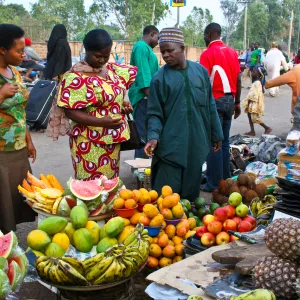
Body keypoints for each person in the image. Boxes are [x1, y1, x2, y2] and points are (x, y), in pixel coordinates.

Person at [144, 28, 223, 200]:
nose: (165, 55)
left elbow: (209, 104)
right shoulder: (159, 79)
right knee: (166, 200)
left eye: (170, 50)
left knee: (190, 199)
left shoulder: (200, 72)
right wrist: (153, 137)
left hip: (196, 144)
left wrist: (216, 133)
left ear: (182, 48)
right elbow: (154, 113)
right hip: (170, 148)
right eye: (162, 51)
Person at [55, 29, 137, 180]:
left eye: (106, 56)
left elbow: (116, 94)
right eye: (98, 56)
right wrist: (101, 122)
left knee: (109, 185)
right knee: (90, 186)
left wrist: (123, 105)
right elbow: (70, 112)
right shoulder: (76, 77)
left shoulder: (110, 71)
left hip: (112, 141)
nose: (102, 60)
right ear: (87, 50)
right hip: (88, 142)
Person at [0, 24, 37, 233]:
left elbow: (19, 111)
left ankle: (8, 244)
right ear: (2, 49)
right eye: (19, 50)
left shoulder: (15, 72)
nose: (24, 55)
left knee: (14, 197)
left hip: (18, 148)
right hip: (1, 152)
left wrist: (29, 141)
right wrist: (2, 94)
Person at [199, 23, 241, 192]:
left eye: (204, 35)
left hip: (215, 102)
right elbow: (238, 79)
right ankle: (225, 180)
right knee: (224, 142)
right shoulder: (232, 52)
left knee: (213, 143)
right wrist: (237, 102)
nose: (204, 38)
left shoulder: (207, 54)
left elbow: (201, 82)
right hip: (230, 100)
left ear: (209, 34)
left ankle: (213, 184)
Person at [129, 25, 160, 158]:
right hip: (144, 98)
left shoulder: (147, 49)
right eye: (158, 38)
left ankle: (146, 170)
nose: (158, 42)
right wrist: (151, 96)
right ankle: (141, 173)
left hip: (148, 98)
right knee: (143, 136)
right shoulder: (141, 47)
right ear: (152, 34)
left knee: (149, 135)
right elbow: (143, 75)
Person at [265, 65, 300, 130]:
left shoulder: (297, 70)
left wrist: (267, 84)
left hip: (298, 105)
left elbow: (281, 79)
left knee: (296, 131)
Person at [242, 67, 272, 136]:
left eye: (253, 72)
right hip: (252, 101)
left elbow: (253, 94)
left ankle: (267, 128)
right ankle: (252, 131)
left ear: (258, 74)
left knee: (255, 117)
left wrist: (248, 102)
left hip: (253, 102)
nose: (251, 73)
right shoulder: (256, 82)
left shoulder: (257, 83)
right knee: (249, 115)